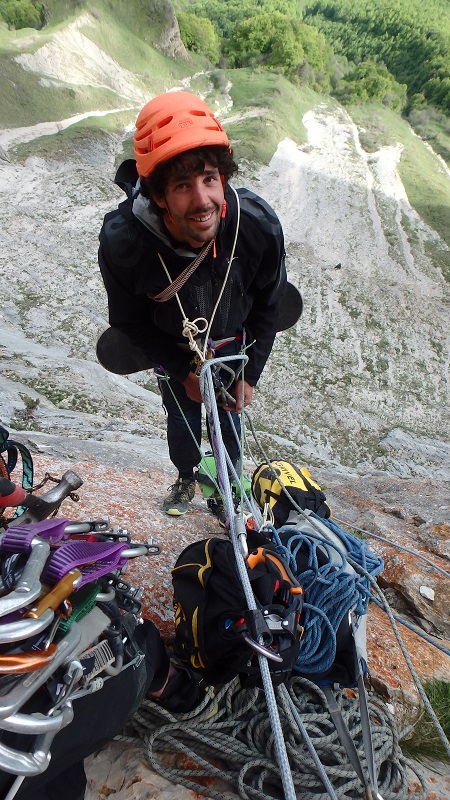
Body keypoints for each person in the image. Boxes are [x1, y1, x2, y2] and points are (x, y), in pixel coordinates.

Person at [98, 91, 287, 518]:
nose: (202, 201)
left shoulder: (254, 226)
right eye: (182, 185)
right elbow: (127, 321)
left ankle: (227, 488)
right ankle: (186, 474)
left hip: (230, 349)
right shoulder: (125, 242)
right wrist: (182, 370)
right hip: (174, 352)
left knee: (230, 422)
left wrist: (250, 375)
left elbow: (269, 304)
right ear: (158, 195)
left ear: (223, 177)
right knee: (181, 418)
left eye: (209, 179)